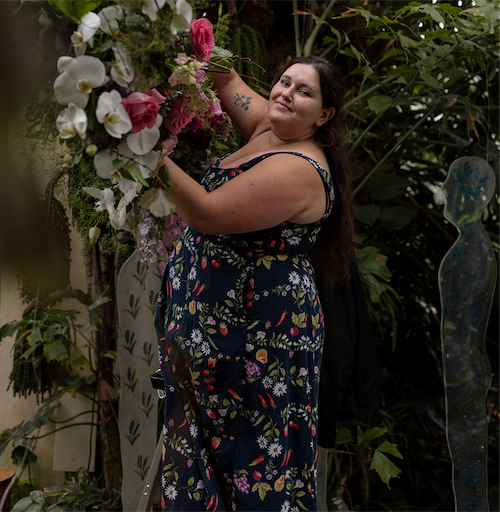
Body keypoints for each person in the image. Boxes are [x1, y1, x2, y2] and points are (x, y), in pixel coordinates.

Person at [154, 55, 356, 512]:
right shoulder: (270, 124)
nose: (285, 93)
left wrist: (136, 148)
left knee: (248, 455)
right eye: (284, 81)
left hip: (253, 335)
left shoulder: (300, 166)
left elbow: (207, 212)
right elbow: (221, 72)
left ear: (324, 116)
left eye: (304, 92)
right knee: (204, 445)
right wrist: (179, 40)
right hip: (215, 329)